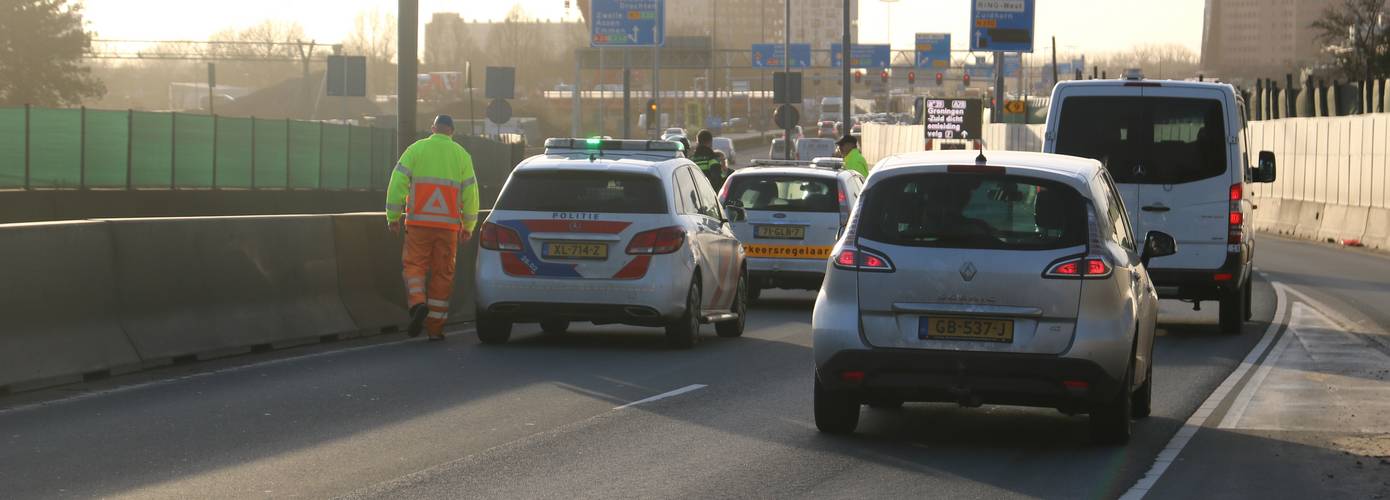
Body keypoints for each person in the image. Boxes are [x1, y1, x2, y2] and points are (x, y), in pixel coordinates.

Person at [385, 115, 480, 341]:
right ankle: (435, 329)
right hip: (447, 229)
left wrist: (393, 216)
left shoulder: (416, 150)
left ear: (433, 129)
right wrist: (468, 225)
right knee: (442, 274)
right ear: (452, 132)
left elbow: (397, 182)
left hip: (418, 225)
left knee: (414, 266)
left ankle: (417, 303)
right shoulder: (461, 156)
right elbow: (471, 194)